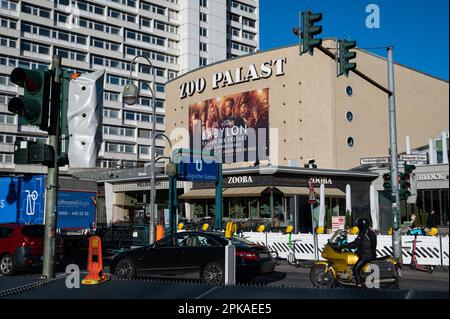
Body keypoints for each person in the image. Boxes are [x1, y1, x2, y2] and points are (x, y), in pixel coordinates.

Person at [341, 217, 377, 287]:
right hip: (370, 254)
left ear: (360, 225)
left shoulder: (363, 233)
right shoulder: (371, 232)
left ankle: (359, 284)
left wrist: (345, 245)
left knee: (355, 269)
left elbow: (356, 243)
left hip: (366, 255)